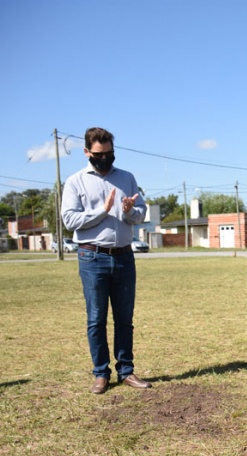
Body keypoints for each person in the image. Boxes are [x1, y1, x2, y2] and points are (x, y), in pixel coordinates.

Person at [61, 127, 152, 395]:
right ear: (87, 152)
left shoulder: (127, 178)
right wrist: (101, 212)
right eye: (99, 154)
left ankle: (126, 371)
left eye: (110, 153)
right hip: (92, 256)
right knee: (96, 319)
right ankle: (101, 373)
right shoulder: (75, 181)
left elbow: (141, 213)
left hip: (124, 256)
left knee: (125, 319)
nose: (105, 158)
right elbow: (70, 220)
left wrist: (128, 211)